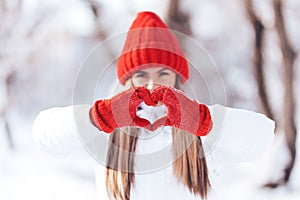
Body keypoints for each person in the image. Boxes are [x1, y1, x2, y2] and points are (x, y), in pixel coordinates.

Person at [32, 11, 275, 200]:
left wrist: (203, 120)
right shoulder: (104, 136)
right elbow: (44, 137)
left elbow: (262, 137)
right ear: (126, 82)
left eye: (163, 73)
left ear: (177, 79)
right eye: (140, 75)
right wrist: (99, 117)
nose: (152, 84)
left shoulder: (201, 135)